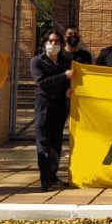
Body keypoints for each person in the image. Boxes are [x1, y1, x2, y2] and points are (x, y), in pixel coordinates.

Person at [31, 29, 73, 192]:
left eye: (56, 41)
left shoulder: (66, 61)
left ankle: (53, 175)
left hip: (60, 104)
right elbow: (42, 82)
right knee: (43, 141)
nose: (53, 44)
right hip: (44, 104)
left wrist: (68, 89)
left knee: (56, 142)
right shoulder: (37, 61)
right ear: (45, 43)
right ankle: (45, 178)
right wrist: (64, 77)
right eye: (50, 41)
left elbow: (69, 82)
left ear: (62, 44)